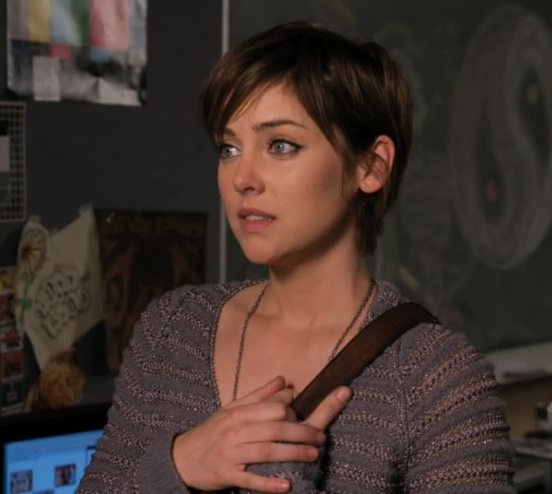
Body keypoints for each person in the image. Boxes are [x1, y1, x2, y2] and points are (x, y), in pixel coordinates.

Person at [78, 22, 514, 493]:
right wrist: (180, 461)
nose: (242, 178)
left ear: (371, 166)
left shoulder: (439, 381)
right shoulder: (172, 328)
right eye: (229, 148)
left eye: (280, 146)